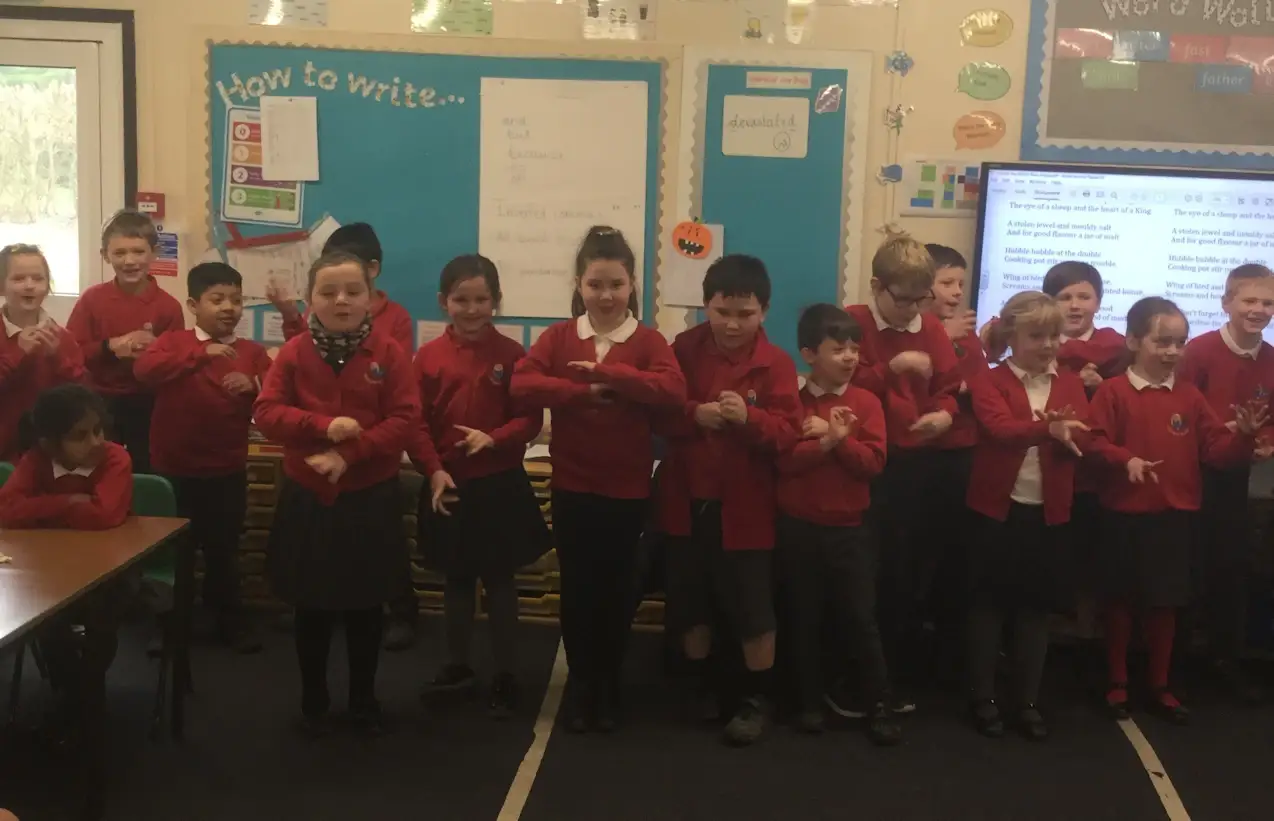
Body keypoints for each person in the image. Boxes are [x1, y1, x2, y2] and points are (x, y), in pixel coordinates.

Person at [512, 226, 685, 733]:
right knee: (578, 589)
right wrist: (578, 392)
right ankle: (583, 683)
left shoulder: (648, 340)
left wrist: (614, 376)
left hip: (627, 490)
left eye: (616, 285)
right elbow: (523, 383)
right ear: (579, 285)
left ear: (632, 285)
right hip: (572, 485)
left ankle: (608, 684)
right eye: (595, 285)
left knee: (617, 591)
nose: (606, 295)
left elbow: (673, 391)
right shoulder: (560, 337)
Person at [253, 250, 420, 736]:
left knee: (367, 605)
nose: (341, 300)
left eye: (352, 291)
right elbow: (266, 412)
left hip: (369, 495)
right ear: (310, 299)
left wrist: (351, 453)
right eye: (328, 292)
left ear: (371, 298)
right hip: (309, 495)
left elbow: (406, 418)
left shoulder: (389, 353)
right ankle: (314, 694)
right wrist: (321, 426)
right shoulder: (293, 352)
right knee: (311, 605)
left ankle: (363, 696)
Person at [1088, 297, 1263, 724]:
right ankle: (1117, 681)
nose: (1172, 351)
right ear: (1133, 341)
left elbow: (1216, 451)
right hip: (1123, 514)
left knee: (1166, 604)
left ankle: (1160, 684)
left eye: (1180, 342)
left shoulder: (1189, 395)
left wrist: (1243, 437)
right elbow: (1092, 441)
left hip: (1175, 516)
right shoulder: (1113, 391)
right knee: (1120, 602)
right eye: (1161, 341)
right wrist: (1125, 460)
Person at [657, 254, 801, 746]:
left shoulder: (776, 364)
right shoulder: (681, 350)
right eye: (722, 312)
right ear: (705, 306)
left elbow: (788, 435)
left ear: (765, 311)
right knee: (691, 604)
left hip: (748, 508)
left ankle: (756, 700)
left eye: (746, 313)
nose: (733, 324)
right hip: (685, 502)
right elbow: (657, 413)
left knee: (753, 609)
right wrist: (692, 415)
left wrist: (749, 420)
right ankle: (700, 688)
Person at [964, 291, 1119, 740]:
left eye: (1054, 335)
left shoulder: (1068, 382)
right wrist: (1048, 428)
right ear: (1012, 336)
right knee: (987, 608)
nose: (1049, 345)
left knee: (1035, 610)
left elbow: (1085, 435)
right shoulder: (990, 379)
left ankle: (1027, 701)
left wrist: (1072, 435)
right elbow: (1000, 430)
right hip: (995, 512)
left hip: (1048, 513)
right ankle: (982, 698)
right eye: (1037, 336)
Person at [410, 254, 550, 719]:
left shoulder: (513, 355)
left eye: (482, 300)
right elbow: (414, 423)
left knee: (500, 580)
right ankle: (458, 666)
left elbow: (530, 418)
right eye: (461, 300)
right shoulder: (427, 358)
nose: (472, 310)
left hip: (498, 484)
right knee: (456, 579)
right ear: (443, 302)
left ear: (496, 301)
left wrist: (495, 438)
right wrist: (433, 469)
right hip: (447, 483)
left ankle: (506, 673)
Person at [846, 232, 961, 711]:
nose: (912, 310)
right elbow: (844, 382)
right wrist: (892, 367)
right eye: (903, 300)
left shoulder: (929, 327)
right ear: (877, 286)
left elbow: (949, 385)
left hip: (917, 464)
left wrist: (946, 414)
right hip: (869, 462)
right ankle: (858, 676)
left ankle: (893, 676)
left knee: (905, 571)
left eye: (921, 300)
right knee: (864, 574)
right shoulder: (853, 322)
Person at [775, 304, 900, 745]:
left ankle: (879, 703)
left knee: (860, 618)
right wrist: (829, 441)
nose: (849, 357)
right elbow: (785, 462)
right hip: (799, 527)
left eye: (854, 349)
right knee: (803, 615)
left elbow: (873, 463)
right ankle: (808, 702)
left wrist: (837, 440)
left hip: (850, 530)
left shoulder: (866, 402)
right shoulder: (792, 401)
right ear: (809, 353)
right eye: (838, 349)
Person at [134, 261, 273, 654]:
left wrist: (253, 384)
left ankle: (228, 622)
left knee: (223, 552)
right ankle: (169, 626)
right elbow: (145, 370)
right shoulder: (174, 341)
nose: (228, 307)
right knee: (174, 552)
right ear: (194, 305)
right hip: (173, 471)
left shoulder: (251, 352)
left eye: (236, 300)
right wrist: (201, 354)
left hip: (225, 470)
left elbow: (275, 392)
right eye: (217, 299)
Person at [1177, 263, 1274, 704]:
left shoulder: (1270, 359)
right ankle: (1174, 668)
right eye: (1249, 300)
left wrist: (1264, 442)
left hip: (1238, 481)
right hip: (1194, 475)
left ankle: (1224, 664)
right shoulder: (1197, 352)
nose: (1258, 310)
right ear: (1226, 303)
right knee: (1189, 570)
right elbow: (1179, 412)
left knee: (1232, 572)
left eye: (1267, 303)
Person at [66, 209, 184, 473]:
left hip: (148, 404)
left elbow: (176, 365)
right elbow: (71, 353)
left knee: (146, 469)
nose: (129, 261)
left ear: (154, 253)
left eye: (138, 252)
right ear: (105, 255)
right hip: (99, 402)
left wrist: (153, 354)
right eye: (119, 253)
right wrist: (110, 347)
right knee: (99, 469)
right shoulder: (92, 300)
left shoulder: (169, 307)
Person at [0, 384, 131, 529]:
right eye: (79, 436)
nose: (95, 442)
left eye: (97, 430)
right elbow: (4, 510)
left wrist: (38, 511)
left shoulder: (115, 457)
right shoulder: (37, 458)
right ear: (49, 444)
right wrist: (69, 502)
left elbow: (103, 516)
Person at [0, 243, 84, 462]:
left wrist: (57, 358)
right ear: (1, 286)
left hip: (49, 452)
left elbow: (80, 395)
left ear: (47, 286)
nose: (29, 286)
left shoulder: (62, 337)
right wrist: (17, 354)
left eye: (38, 279)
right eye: (18, 279)